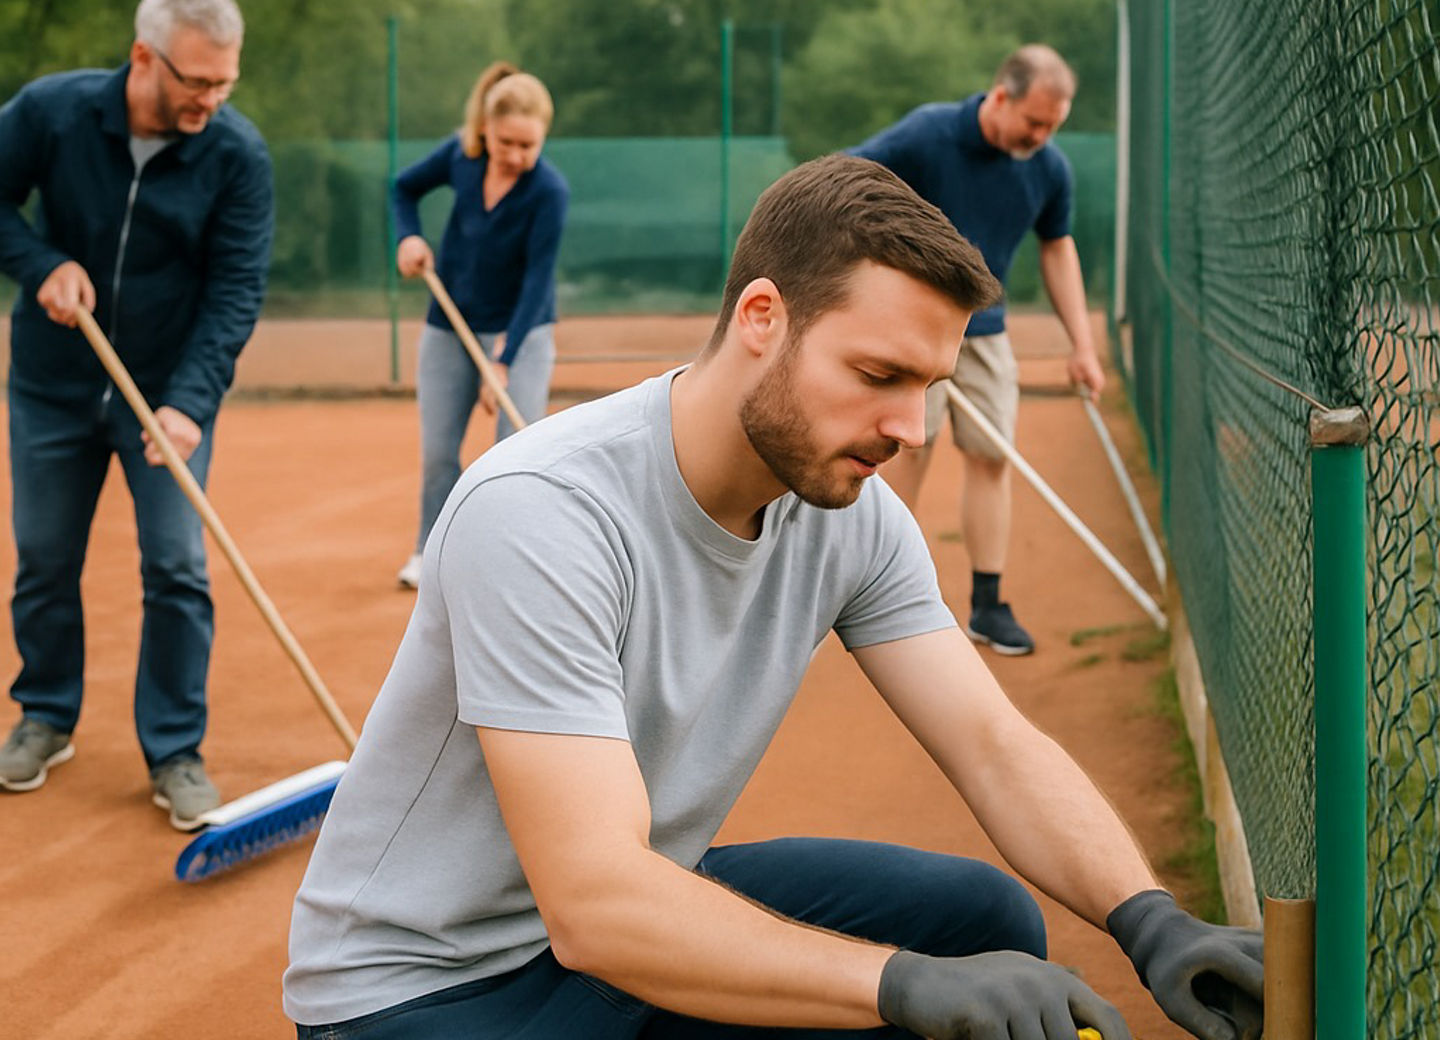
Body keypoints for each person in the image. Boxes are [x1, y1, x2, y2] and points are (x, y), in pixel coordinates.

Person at [283, 155, 1261, 1040]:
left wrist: (1152, 919)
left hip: (624, 913)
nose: (909, 428)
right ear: (762, 319)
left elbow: (993, 746)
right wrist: (895, 984)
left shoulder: (852, 510)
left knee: (981, 924)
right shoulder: (543, 511)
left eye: (929, 386)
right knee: (916, 975)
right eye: (878, 374)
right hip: (423, 990)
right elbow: (594, 901)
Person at [0, 0, 272, 829]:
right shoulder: (52, 111)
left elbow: (234, 293)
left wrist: (188, 406)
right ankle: (45, 714)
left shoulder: (236, 154)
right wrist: (40, 263)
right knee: (45, 558)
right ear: (145, 59)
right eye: (197, 82)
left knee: (177, 565)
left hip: (165, 393)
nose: (212, 102)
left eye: (226, 83)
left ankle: (175, 749)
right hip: (52, 385)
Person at [850, 44, 1106, 657]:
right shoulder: (927, 134)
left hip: (985, 333)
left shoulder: (1048, 167)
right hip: (909, 331)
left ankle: (988, 606)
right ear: (1000, 97)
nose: (1041, 137)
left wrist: (1083, 346)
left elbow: (1056, 246)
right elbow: (847, 182)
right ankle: (871, 595)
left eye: (1052, 127)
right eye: (1033, 122)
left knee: (992, 459)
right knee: (903, 452)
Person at [390, 61, 570, 590]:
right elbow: (402, 189)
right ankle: (430, 553)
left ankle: (506, 563)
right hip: (449, 324)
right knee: (439, 451)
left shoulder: (549, 192)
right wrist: (408, 238)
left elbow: (538, 282)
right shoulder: (460, 157)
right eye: (506, 142)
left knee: (513, 455)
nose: (516, 156)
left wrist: (505, 359)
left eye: (528, 147)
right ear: (485, 130)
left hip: (522, 331)